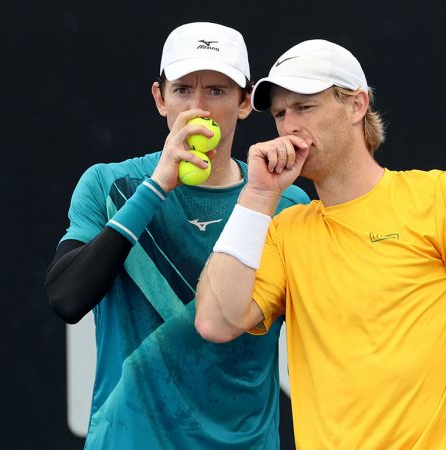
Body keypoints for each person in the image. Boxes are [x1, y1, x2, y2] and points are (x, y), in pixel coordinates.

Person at [195, 39, 446, 449]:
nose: (289, 126)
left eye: (305, 107)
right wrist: (258, 196)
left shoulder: (440, 197)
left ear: (357, 105)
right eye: (280, 113)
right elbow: (215, 322)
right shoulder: (285, 230)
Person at [44, 22, 308, 449]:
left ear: (244, 102)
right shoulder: (110, 185)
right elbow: (67, 298)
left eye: (217, 92)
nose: (198, 108)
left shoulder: (285, 203)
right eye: (183, 89)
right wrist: (155, 186)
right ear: (159, 98)